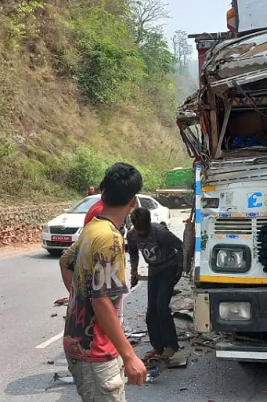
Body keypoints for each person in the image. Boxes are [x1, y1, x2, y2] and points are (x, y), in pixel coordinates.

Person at [59, 163, 147, 402]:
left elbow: (65, 261)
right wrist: (129, 356)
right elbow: (102, 302)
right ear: (133, 201)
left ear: (102, 193)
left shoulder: (92, 228)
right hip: (95, 349)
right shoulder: (110, 238)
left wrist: (79, 299)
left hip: (80, 343)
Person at [126, 208, 183, 361]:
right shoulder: (131, 235)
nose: (141, 234)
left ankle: (171, 345)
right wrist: (134, 272)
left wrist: (180, 269)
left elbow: (180, 246)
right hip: (154, 270)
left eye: (144, 230)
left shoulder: (160, 232)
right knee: (151, 309)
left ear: (149, 224)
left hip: (169, 267)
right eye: (139, 230)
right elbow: (133, 253)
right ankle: (157, 346)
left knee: (161, 306)